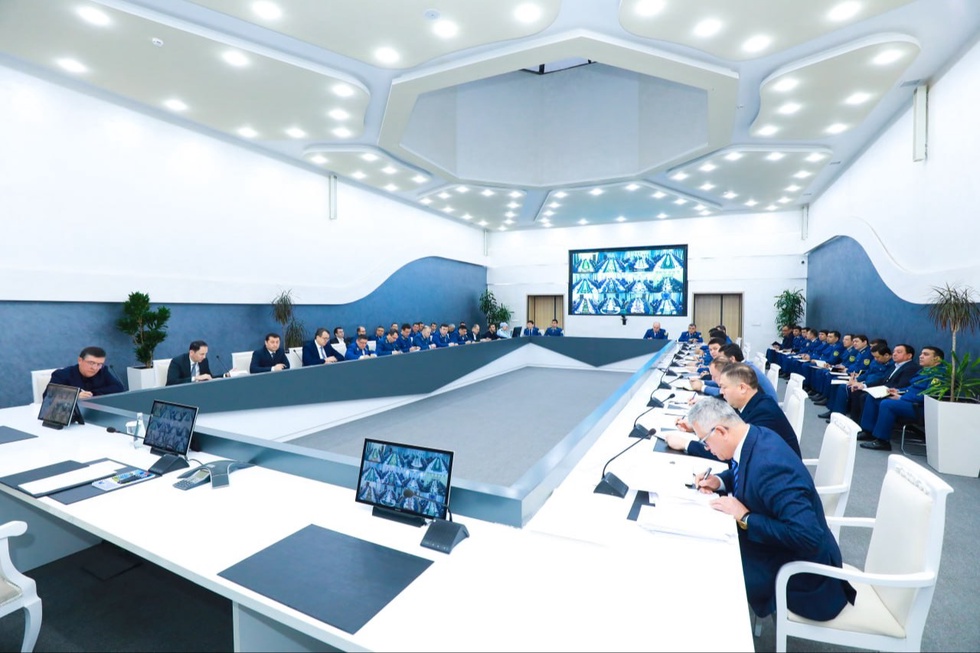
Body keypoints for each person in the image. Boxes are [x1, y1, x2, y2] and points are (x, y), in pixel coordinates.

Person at [686, 399, 856, 621]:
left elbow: (807, 536)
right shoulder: (753, 436)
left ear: (721, 431)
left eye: (705, 442)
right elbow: (744, 472)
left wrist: (745, 517)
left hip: (805, 576)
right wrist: (719, 481)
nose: (707, 448)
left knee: (708, 570)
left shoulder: (771, 466)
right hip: (779, 548)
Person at [668, 362, 800, 459]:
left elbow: (732, 452)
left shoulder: (763, 412)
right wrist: (699, 428)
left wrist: (686, 444)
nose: (721, 392)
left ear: (742, 388)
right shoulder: (749, 403)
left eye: (724, 387)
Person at [859, 346, 944, 451]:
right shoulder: (924, 371)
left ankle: (882, 441)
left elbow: (928, 396)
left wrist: (901, 397)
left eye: (926, 354)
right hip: (909, 400)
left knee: (887, 404)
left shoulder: (939, 374)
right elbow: (911, 388)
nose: (921, 356)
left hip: (919, 407)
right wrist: (897, 391)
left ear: (937, 359)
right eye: (921, 353)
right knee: (872, 397)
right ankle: (868, 431)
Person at [50, 346, 124, 398]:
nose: (94, 368)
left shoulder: (102, 371)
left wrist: (92, 393)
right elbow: (49, 395)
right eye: (91, 363)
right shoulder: (62, 375)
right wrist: (75, 396)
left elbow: (118, 387)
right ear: (80, 360)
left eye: (99, 364)